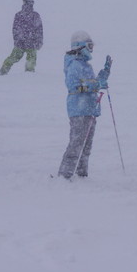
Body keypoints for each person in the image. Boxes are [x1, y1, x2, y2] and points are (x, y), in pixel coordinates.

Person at [57, 31, 112, 179]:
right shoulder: (74, 65)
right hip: (79, 109)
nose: (91, 49)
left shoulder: (85, 65)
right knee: (76, 144)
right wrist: (95, 85)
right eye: (89, 46)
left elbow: (93, 83)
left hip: (89, 109)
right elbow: (74, 87)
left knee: (86, 146)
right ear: (80, 47)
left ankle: (81, 173)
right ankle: (65, 175)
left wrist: (104, 74)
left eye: (92, 46)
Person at [0, 0, 44, 75]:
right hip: (21, 42)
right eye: (29, 2)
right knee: (15, 57)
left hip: (31, 42)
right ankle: (4, 70)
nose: (30, 4)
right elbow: (15, 29)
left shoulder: (35, 15)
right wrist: (17, 38)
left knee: (31, 59)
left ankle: (29, 74)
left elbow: (39, 29)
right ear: (24, 3)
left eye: (31, 2)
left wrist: (39, 40)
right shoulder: (19, 15)